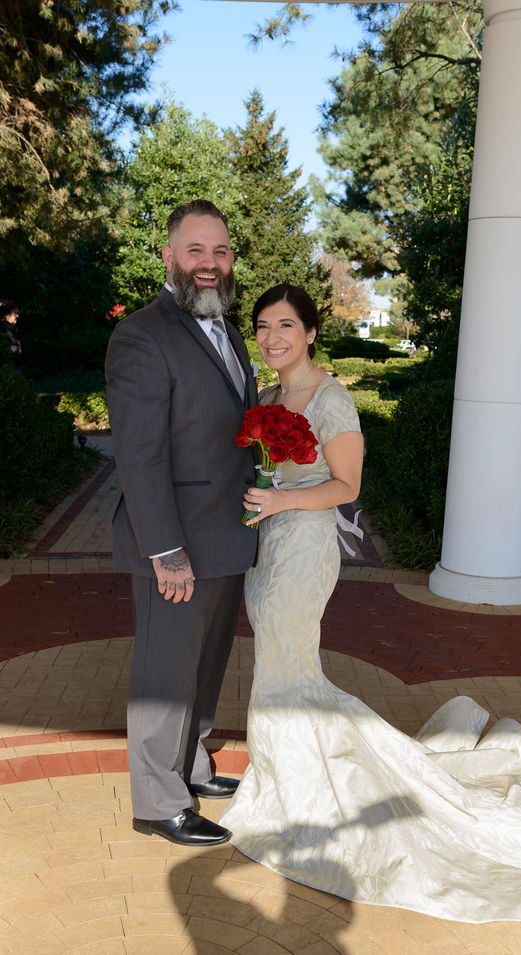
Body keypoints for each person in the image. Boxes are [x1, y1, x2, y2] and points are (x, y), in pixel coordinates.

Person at [219, 283, 521, 922]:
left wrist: (280, 500)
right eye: (264, 327)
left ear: (310, 332)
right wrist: (263, 492)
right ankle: (285, 783)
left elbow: (346, 484)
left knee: (288, 664)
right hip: (267, 544)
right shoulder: (269, 397)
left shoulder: (332, 399)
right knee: (282, 667)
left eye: (285, 326)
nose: (272, 338)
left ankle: (293, 794)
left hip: (302, 550)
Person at [105, 199, 258, 847]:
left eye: (219, 251)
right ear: (168, 256)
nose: (209, 263)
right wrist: (165, 550)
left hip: (227, 535)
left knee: (206, 666)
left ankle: (190, 764)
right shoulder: (142, 334)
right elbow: (140, 453)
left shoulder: (227, 328)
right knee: (164, 674)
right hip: (176, 543)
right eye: (195, 250)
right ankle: (157, 799)